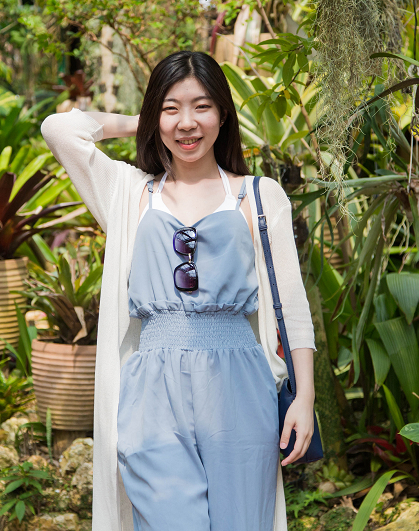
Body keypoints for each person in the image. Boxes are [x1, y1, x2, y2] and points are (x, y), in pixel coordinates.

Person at [40, 50, 317, 531]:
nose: (187, 123)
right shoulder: (130, 193)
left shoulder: (259, 194)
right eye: (172, 108)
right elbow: (59, 129)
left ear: (224, 113)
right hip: (152, 391)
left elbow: (292, 305)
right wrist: (146, 121)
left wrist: (304, 398)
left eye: (202, 106)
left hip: (239, 386)